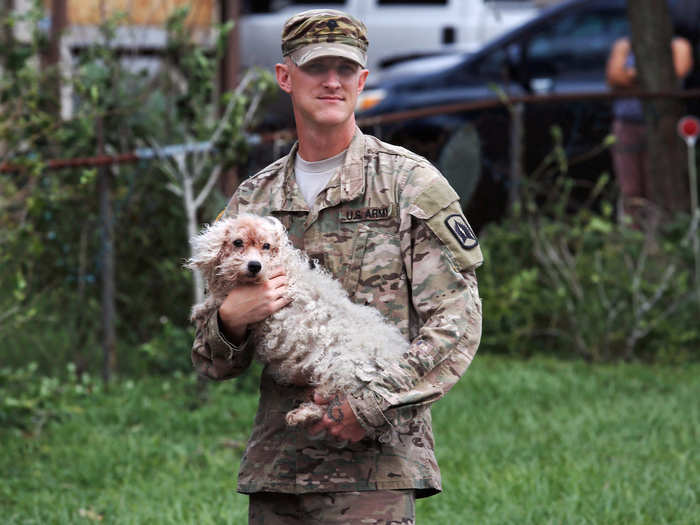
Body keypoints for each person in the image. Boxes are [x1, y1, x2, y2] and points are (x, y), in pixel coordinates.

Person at [191, 9, 483, 524]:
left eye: (345, 69)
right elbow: (213, 362)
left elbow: (457, 325)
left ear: (363, 80)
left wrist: (368, 406)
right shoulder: (254, 198)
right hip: (279, 468)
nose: (332, 81)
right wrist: (231, 320)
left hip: (373, 471)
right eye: (315, 66)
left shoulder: (409, 186)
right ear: (285, 76)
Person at [606, 35, 693, 227]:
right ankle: (633, 240)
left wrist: (631, 76)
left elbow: (675, 73)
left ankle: (661, 239)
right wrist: (649, 77)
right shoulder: (624, 44)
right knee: (630, 189)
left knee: (660, 187)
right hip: (627, 124)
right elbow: (614, 75)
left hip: (662, 126)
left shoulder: (677, 44)